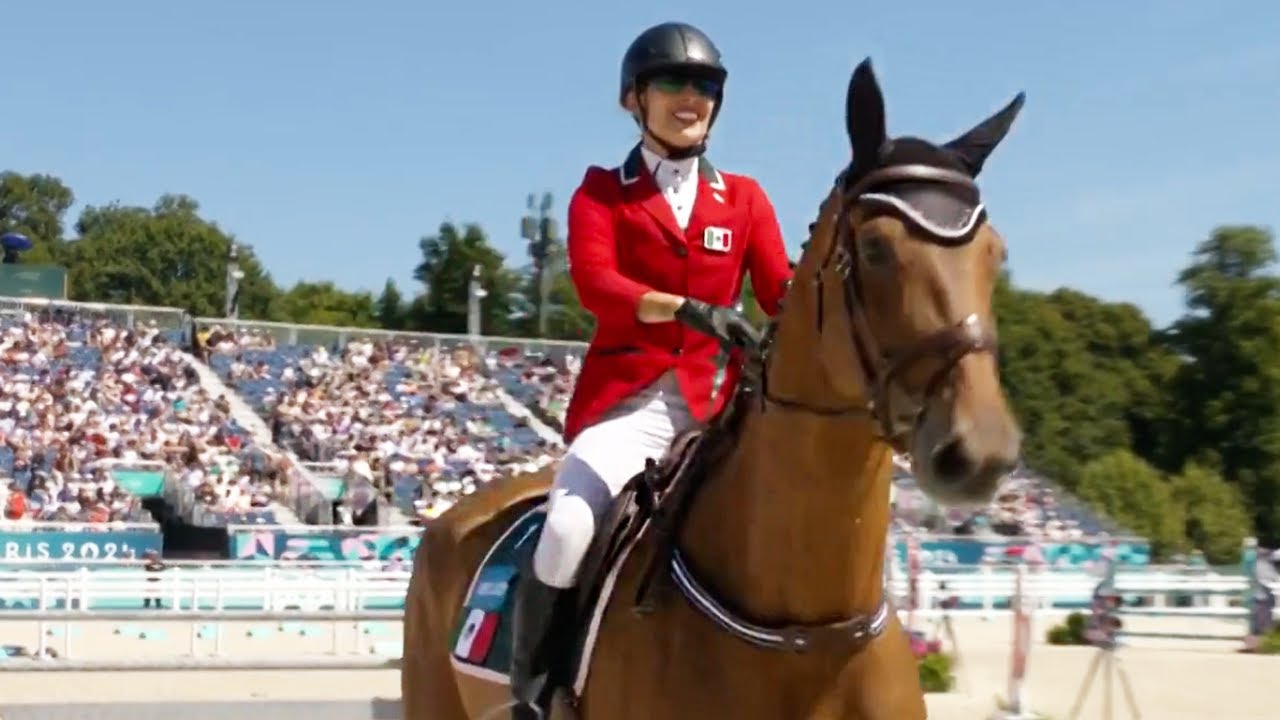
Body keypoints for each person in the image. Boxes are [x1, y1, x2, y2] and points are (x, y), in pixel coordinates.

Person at [506, 20, 793, 718]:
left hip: (722, 408)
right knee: (569, 526)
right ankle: (536, 691)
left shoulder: (747, 199)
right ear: (633, 98)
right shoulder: (603, 191)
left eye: (704, 86)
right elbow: (597, 285)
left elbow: (780, 291)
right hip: (630, 409)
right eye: (672, 83)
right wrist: (690, 310)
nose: (689, 98)